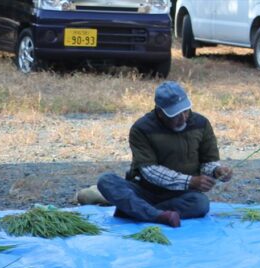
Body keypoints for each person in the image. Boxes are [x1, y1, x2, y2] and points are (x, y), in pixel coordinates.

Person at [97, 81, 234, 228]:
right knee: (106, 181)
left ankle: (139, 211)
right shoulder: (142, 128)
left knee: (200, 203)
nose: (183, 118)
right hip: (145, 190)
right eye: (176, 114)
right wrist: (190, 181)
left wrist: (216, 170)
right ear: (161, 112)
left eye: (186, 111)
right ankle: (158, 215)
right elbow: (150, 171)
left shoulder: (201, 124)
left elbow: (208, 161)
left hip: (180, 194)